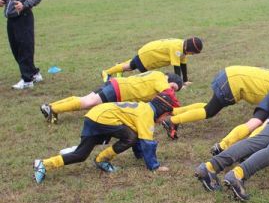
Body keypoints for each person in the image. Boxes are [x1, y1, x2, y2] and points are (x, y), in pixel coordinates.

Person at [33, 93, 177, 184]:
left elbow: (140, 137)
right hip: (103, 119)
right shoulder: (146, 115)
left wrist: (139, 155)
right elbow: (147, 143)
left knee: (81, 155)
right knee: (130, 137)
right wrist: (154, 167)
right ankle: (102, 159)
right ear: (161, 111)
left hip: (94, 115)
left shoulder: (144, 108)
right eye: (166, 116)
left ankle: (44, 164)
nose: (165, 119)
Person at [162, 66, 269, 139]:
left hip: (228, 73)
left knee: (208, 105)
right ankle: (171, 121)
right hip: (231, 83)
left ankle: (174, 111)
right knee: (209, 111)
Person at [40, 71, 182, 123]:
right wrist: (180, 109)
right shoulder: (161, 78)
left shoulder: (156, 76)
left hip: (116, 85)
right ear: (170, 79)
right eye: (173, 87)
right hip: (118, 90)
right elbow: (168, 94)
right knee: (88, 103)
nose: (171, 91)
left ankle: (52, 106)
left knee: (86, 99)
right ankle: (52, 109)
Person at [0, 0, 43, 90]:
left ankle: (27, 80)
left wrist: (24, 5)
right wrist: (2, 0)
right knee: (16, 49)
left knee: (25, 48)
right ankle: (34, 73)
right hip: (10, 18)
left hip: (24, 18)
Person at [101, 37, 203, 84]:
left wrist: (185, 80)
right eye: (193, 52)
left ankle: (116, 68)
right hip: (148, 55)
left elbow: (183, 65)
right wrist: (179, 83)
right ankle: (107, 72)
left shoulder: (182, 47)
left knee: (131, 65)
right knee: (135, 71)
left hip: (148, 52)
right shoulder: (177, 49)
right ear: (189, 49)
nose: (192, 54)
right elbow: (176, 68)